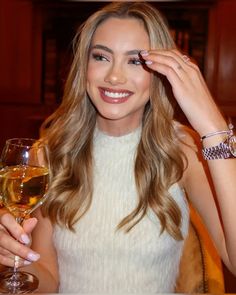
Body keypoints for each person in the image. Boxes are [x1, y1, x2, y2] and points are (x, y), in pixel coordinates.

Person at [0, 2, 236, 293]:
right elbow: (47, 274)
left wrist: (213, 128)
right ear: (84, 66)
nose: (114, 77)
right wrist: (17, 261)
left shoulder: (183, 150)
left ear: (159, 72)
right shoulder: (50, 152)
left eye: (135, 61)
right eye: (101, 57)